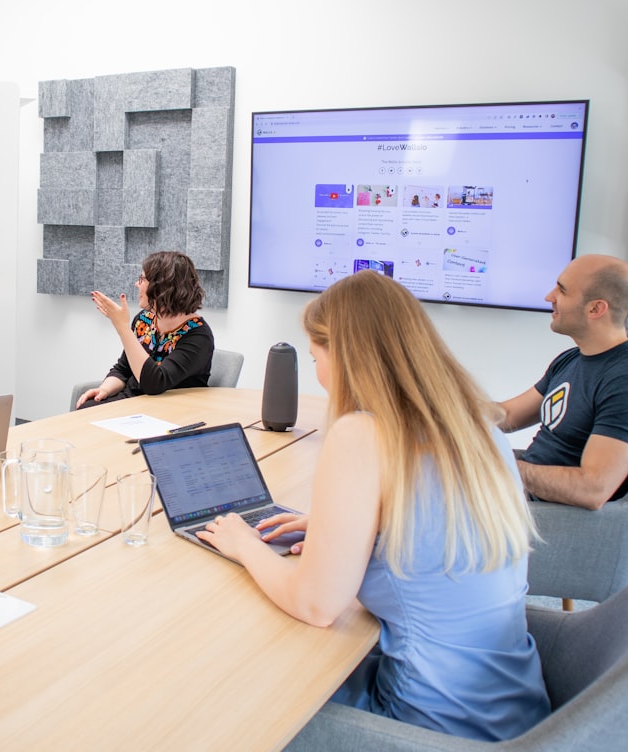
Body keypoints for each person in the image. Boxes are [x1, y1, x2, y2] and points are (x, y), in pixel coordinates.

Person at [201, 271, 549, 742]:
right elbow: (429, 527)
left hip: (429, 724)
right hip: (514, 707)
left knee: (231, 686)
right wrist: (336, 530)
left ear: (344, 354)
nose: (318, 373)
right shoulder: (478, 427)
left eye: (316, 356)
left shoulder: (362, 434)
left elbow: (316, 605)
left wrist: (244, 544)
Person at [498, 254, 628, 510]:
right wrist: (440, 413)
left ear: (595, 309)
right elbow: (510, 415)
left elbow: (591, 489)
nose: (549, 297)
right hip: (518, 497)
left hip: (547, 518)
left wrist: (500, 467)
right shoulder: (572, 360)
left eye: (562, 290)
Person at [76, 251, 214, 408]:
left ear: (162, 287)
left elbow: (155, 383)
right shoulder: (144, 320)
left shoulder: (198, 336)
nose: (137, 284)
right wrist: (103, 390)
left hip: (168, 411)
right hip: (134, 402)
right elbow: (123, 369)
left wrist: (122, 328)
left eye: (142, 279)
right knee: (86, 407)